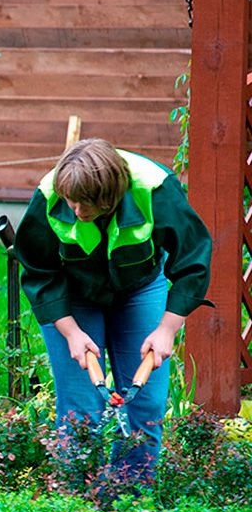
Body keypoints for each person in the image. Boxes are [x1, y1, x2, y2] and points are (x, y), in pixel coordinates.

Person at [14, 137, 212, 487]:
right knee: (81, 410)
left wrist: (166, 329)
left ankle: (131, 500)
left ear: (110, 196)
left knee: (145, 406)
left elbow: (192, 261)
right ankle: (77, 505)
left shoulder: (155, 189)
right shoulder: (50, 196)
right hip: (72, 297)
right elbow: (40, 273)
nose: (74, 210)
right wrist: (72, 334)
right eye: (70, 201)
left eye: (84, 204)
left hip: (140, 287)